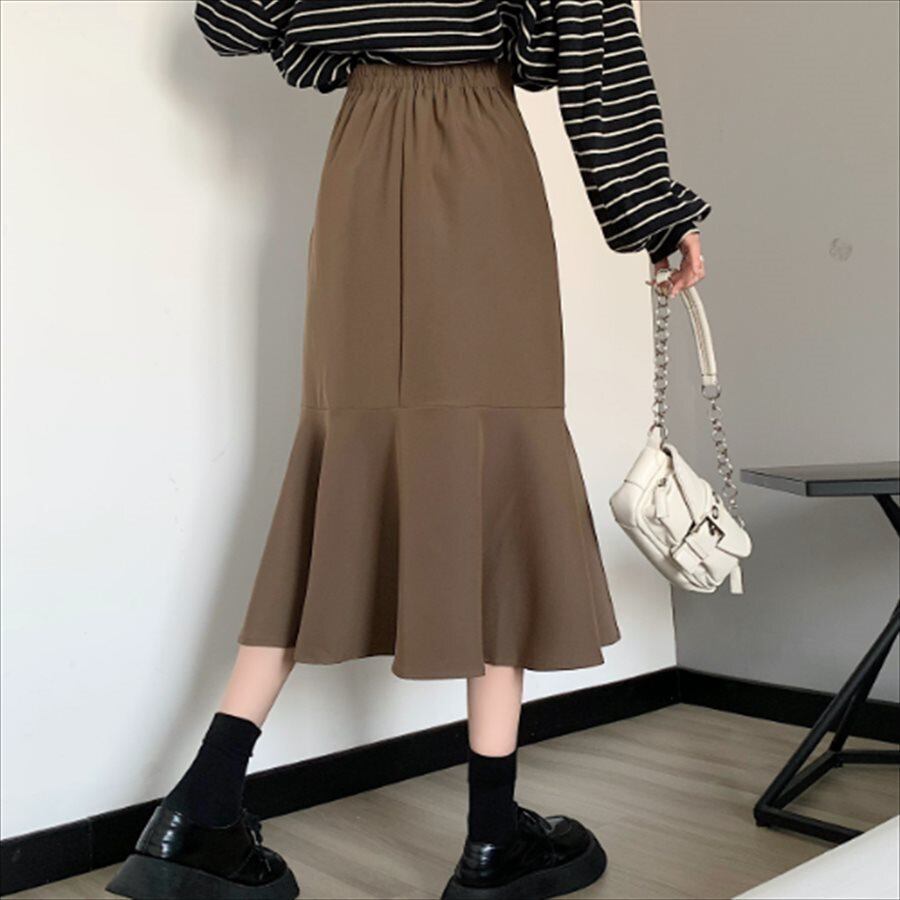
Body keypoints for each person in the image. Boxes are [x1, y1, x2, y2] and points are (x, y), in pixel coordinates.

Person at [108, 2, 708, 899]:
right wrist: (655, 213)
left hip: (362, 162)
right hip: (477, 161)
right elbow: (595, 49)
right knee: (496, 468)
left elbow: (228, 16)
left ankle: (200, 807)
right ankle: (493, 836)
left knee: (342, 461)